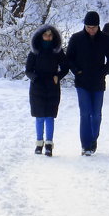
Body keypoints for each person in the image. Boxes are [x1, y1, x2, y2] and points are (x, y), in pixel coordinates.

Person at [65, 10, 109, 156]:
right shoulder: (76, 39)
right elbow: (69, 58)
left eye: (93, 27)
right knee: (85, 113)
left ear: (98, 26)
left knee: (96, 115)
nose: (91, 30)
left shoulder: (105, 39)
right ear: (84, 26)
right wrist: (77, 71)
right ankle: (85, 145)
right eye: (88, 27)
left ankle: (93, 139)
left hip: (98, 82)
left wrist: (104, 71)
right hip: (82, 82)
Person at [25, 25, 68, 156]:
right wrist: (34, 78)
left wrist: (58, 76)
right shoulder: (34, 51)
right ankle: (39, 143)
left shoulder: (57, 51)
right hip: (37, 87)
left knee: (50, 116)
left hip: (52, 86)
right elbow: (28, 70)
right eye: (46, 35)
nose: (48, 38)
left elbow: (65, 67)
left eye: (50, 35)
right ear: (41, 36)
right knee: (39, 117)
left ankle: (49, 144)